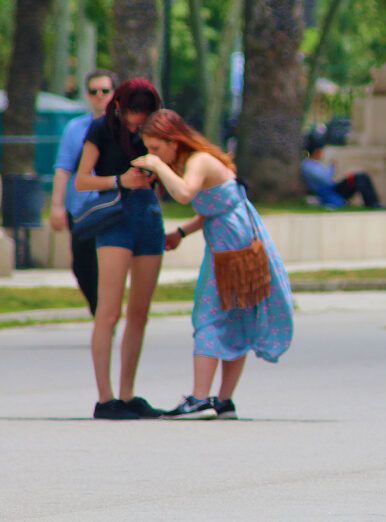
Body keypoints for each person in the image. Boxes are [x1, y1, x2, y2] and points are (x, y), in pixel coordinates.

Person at [133, 109, 294, 419]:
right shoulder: (192, 161)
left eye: (156, 148)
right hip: (231, 237)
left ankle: (199, 398)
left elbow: (184, 194)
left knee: (208, 316)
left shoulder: (198, 161)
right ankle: (223, 401)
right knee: (234, 315)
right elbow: (214, 207)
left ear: (175, 142)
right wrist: (181, 232)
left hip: (231, 242)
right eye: (149, 149)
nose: (152, 155)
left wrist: (155, 166)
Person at [74, 79, 165, 420]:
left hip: (149, 215)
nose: (136, 121)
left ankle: (128, 395)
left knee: (139, 311)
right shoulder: (102, 128)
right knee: (108, 312)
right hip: (114, 216)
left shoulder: (156, 129)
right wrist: (119, 180)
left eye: (143, 114)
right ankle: (105, 398)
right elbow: (82, 179)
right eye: (131, 113)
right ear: (120, 106)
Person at [48, 70, 118, 316]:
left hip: (113, 207)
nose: (100, 96)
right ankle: (100, 312)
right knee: (82, 265)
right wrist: (57, 206)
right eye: (93, 91)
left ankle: (106, 314)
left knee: (107, 265)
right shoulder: (75, 129)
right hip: (81, 208)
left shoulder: (122, 127)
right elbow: (63, 168)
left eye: (105, 91)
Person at [301, 132, 384, 210]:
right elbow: (326, 178)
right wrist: (332, 167)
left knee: (359, 177)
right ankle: (372, 203)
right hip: (329, 191)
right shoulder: (308, 165)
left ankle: (373, 202)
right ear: (317, 152)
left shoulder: (316, 163)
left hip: (334, 188)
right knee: (358, 179)